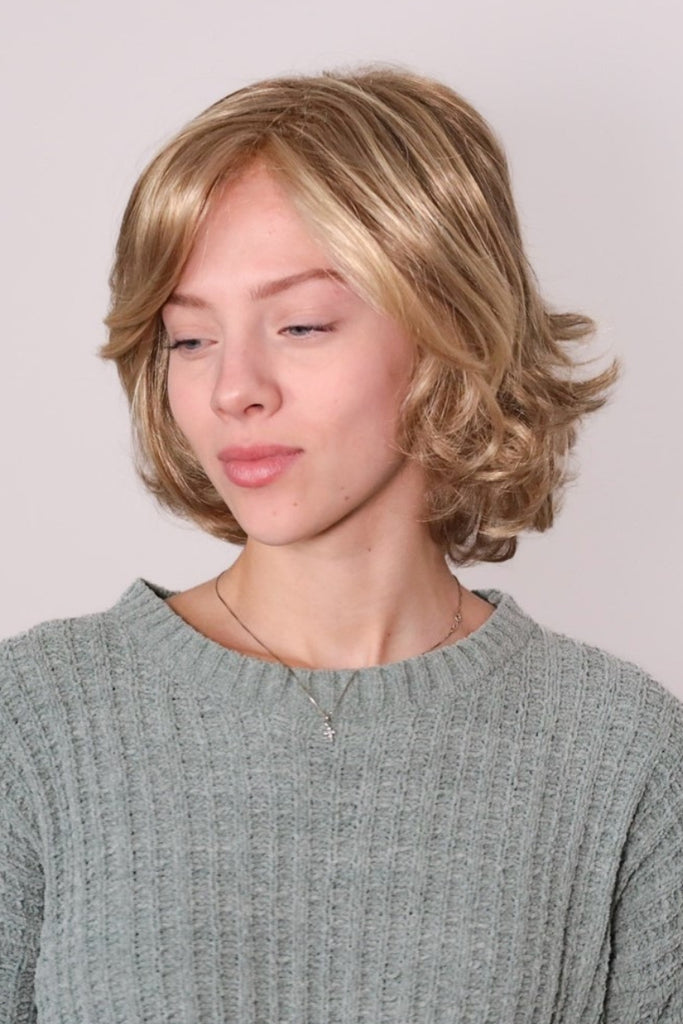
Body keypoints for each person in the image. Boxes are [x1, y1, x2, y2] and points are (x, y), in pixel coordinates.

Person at [1, 66, 681, 1024]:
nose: (234, 388)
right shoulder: (34, 724)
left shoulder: (622, 755)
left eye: (301, 324)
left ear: (448, 331)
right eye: (188, 339)